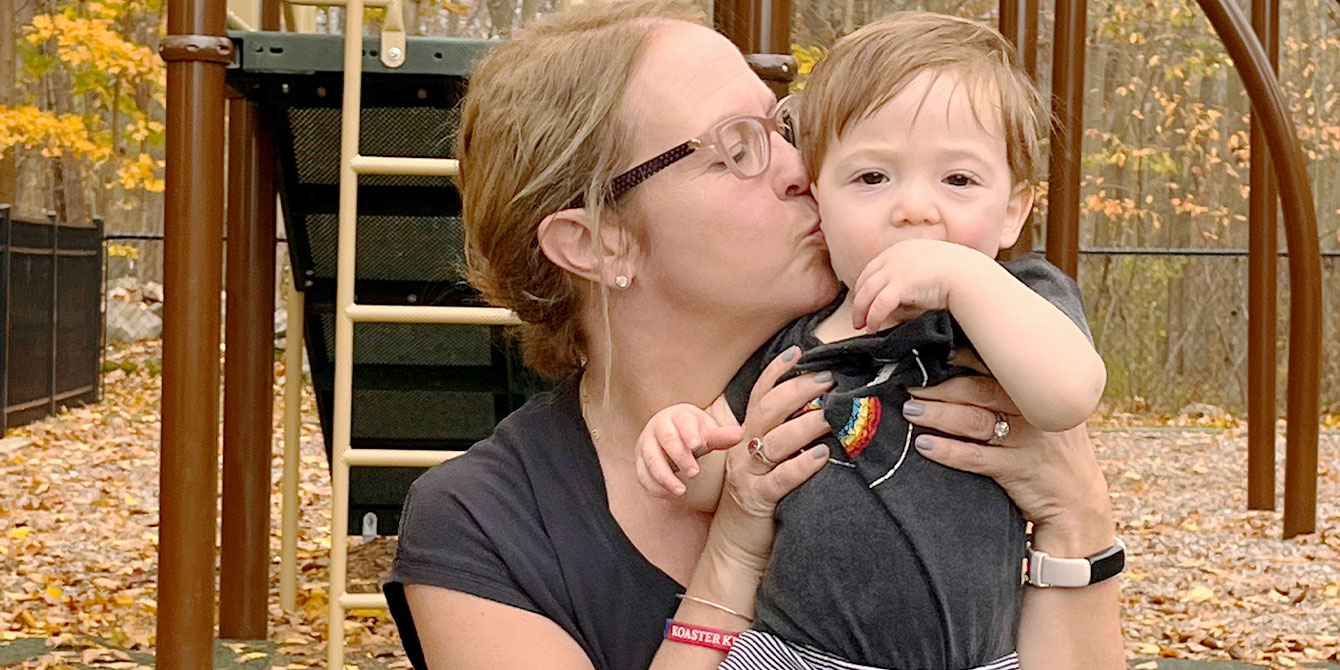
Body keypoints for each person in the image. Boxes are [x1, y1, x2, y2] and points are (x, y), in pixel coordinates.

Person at [383, 2, 1124, 669]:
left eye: (782, 126)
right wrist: (731, 554)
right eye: (738, 148)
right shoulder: (488, 527)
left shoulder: (951, 356)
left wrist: (1078, 522)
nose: (803, 168)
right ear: (599, 241)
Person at [633, 13, 1109, 670]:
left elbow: (1066, 396)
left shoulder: (1016, 300)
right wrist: (682, 435)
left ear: (1013, 209)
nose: (915, 208)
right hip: (793, 651)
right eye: (871, 178)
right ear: (819, 199)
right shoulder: (797, 333)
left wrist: (966, 277)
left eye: (959, 180)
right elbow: (721, 471)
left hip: (975, 656)